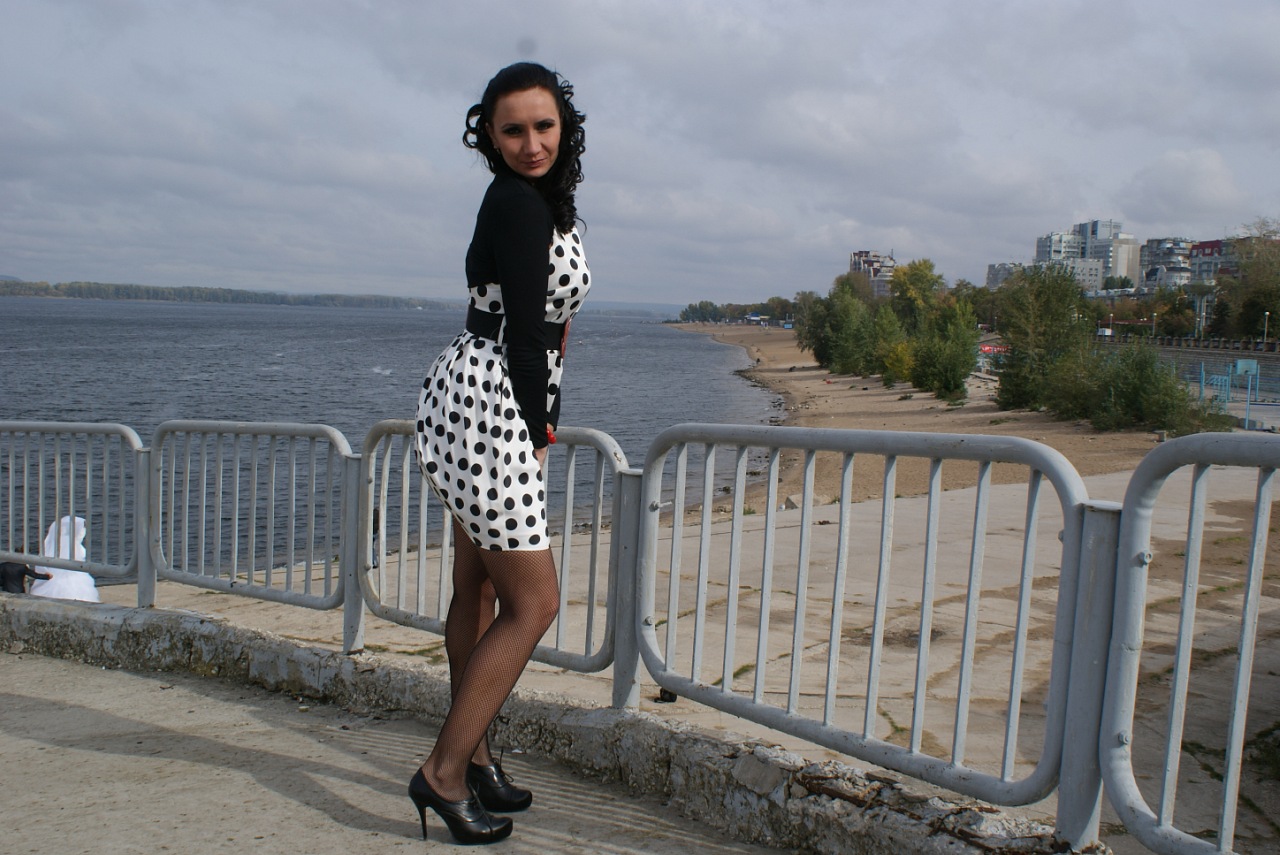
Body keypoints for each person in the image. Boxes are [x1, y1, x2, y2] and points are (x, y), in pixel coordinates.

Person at [408, 61, 590, 846]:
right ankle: (444, 771)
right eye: (512, 130)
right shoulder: (517, 203)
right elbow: (524, 332)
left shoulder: (543, 201)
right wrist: (538, 429)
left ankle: (477, 757)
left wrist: (542, 412)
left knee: (477, 587)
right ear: (489, 134)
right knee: (535, 602)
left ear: (563, 126)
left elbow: (551, 330)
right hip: (490, 404)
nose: (530, 142)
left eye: (542, 126)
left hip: (478, 396)